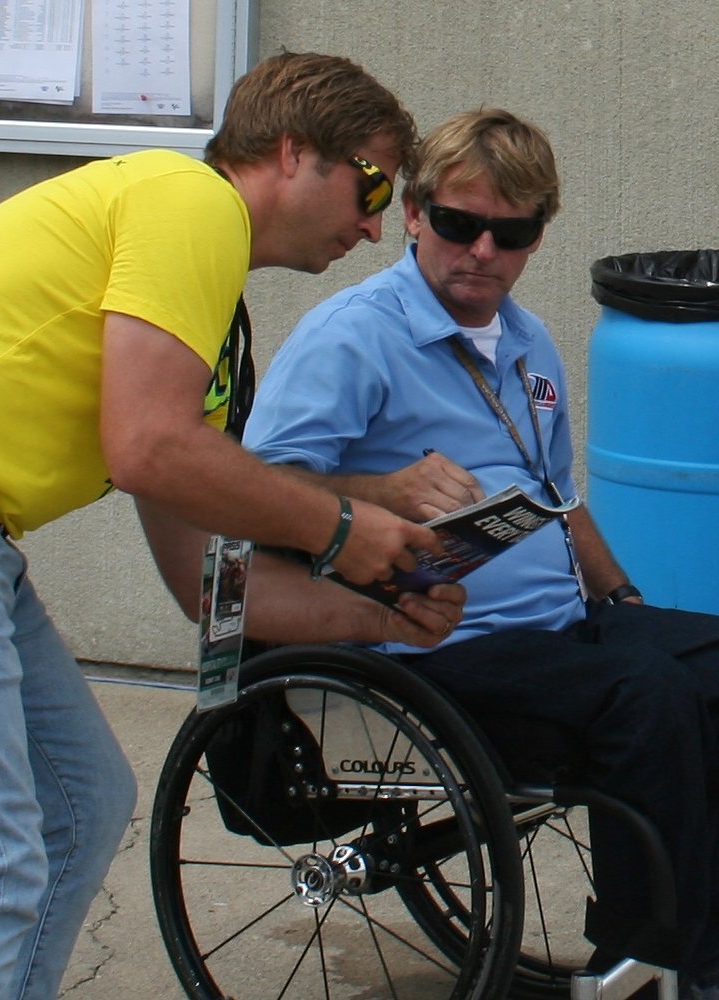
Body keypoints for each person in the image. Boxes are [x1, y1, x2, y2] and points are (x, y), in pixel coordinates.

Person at [0, 52, 465, 1000]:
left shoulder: (205, 319)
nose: (374, 226)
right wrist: (343, 529)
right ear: (290, 153)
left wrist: (382, 616)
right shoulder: (187, 202)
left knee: (81, 804)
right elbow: (149, 449)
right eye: (371, 183)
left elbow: (207, 584)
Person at [242, 107, 719, 998]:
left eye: (512, 232)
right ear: (415, 213)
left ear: (538, 234)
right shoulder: (352, 337)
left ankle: (704, 928)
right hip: (425, 643)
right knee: (646, 696)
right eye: (460, 224)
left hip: (553, 629)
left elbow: (559, 500)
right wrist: (380, 492)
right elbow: (255, 494)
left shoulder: (531, 343)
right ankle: (650, 961)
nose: (482, 251)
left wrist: (622, 604)